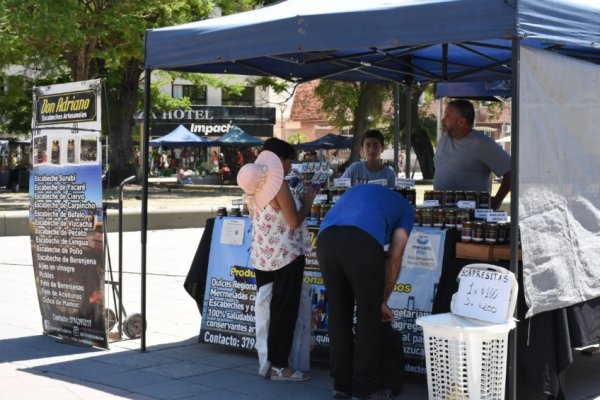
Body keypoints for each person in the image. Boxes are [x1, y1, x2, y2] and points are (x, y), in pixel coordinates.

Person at [316, 184, 414, 399]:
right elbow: (395, 257)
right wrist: (382, 300)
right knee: (369, 317)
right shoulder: (406, 209)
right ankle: (364, 388)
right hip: (361, 241)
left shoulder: (360, 192)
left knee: (339, 315)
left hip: (325, 240)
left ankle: (341, 385)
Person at [237, 137, 315, 382]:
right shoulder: (277, 185)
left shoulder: (253, 186)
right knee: (284, 311)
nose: (291, 165)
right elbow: (293, 221)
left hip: (262, 256)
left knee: (268, 311)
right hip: (286, 255)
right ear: (280, 160)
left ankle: (269, 361)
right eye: (290, 160)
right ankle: (280, 366)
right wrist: (308, 203)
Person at [433, 99, 511, 210]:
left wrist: (497, 200)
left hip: (470, 217)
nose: (443, 120)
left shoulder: (481, 143)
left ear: (461, 122)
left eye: (447, 116)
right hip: (442, 215)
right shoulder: (444, 140)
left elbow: (511, 172)